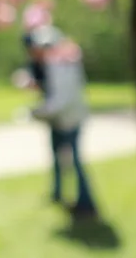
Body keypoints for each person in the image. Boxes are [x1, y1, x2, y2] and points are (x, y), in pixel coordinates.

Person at [25, 25, 99, 220]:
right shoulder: (53, 64)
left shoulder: (62, 64)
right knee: (59, 159)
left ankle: (87, 204)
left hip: (70, 119)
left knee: (75, 162)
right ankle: (58, 194)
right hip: (60, 120)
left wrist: (35, 112)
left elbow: (61, 101)